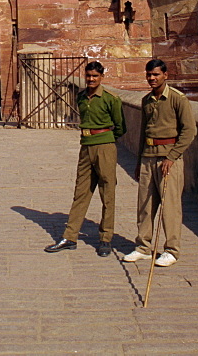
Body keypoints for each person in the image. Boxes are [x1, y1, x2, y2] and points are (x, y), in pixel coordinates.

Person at [45, 61, 125, 257]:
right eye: (88, 76)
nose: (91, 79)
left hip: (105, 146)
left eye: (95, 76)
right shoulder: (81, 97)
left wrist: (106, 141)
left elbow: (120, 126)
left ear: (101, 77)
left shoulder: (110, 99)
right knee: (80, 192)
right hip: (86, 146)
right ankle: (70, 236)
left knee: (107, 194)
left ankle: (106, 238)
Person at [123, 58, 197, 267]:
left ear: (165, 75)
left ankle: (172, 250)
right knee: (145, 205)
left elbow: (189, 131)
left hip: (168, 159)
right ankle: (143, 247)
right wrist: (139, 162)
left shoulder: (177, 99)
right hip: (148, 156)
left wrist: (172, 157)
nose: (152, 78)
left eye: (156, 75)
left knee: (170, 206)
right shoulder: (147, 101)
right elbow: (143, 133)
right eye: (149, 75)